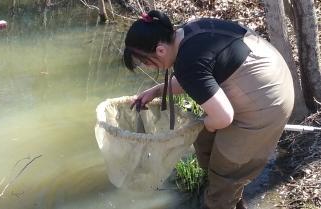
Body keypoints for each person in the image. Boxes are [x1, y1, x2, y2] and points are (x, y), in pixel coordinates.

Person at [123, 10, 294, 209]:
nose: (148, 67)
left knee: (225, 173)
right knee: (204, 137)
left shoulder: (187, 65)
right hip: (272, 75)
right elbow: (200, 75)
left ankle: (220, 198)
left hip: (267, 104)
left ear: (160, 50)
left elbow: (223, 117)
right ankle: (232, 197)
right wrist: (157, 91)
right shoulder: (186, 32)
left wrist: (201, 125)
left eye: (145, 61)